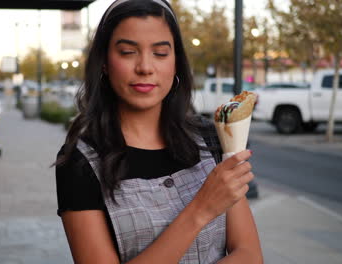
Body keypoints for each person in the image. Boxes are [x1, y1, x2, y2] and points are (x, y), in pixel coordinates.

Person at [55, 0, 263, 263]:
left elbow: (250, 254)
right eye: (128, 52)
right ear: (104, 63)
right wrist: (200, 210)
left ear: (176, 62)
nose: (145, 67)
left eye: (161, 53)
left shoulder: (210, 138)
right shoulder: (79, 163)